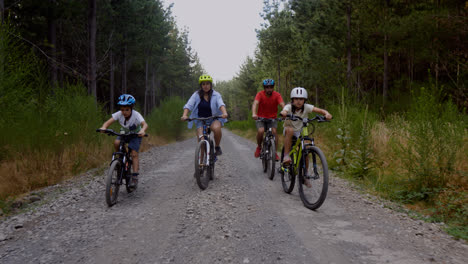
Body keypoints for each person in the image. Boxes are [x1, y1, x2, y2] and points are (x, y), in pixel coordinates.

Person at [280, 87, 332, 187]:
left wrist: (326, 113)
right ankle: (286, 156)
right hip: (289, 130)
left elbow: (320, 110)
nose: (298, 101)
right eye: (296, 99)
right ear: (292, 100)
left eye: (301, 99)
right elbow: (285, 111)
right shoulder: (289, 107)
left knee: (306, 149)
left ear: (305, 100)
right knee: (289, 130)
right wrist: (283, 113)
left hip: (301, 130)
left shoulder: (307, 107)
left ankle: (305, 174)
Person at [99, 94, 148, 187]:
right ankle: (120, 159)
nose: (124, 112)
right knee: (116, 142)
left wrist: (142, 130)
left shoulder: (136, 114)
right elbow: (108, 122)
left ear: (131, 108)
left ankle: (134, 177)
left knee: (134, 153)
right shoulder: (119, 114)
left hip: (135, 135)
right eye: (122, 109)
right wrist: (104, 127)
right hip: (124, 133)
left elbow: (144, 124)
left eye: (127, 109)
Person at [181, 74, 228, 156]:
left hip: (213, 118)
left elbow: (221, 104)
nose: (205, 86)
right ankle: (201, 165)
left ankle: (217, 147)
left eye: (207, 84)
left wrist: (224, 113)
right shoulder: (196, 95)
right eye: (203, 84)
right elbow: (189, 105)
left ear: (210, 85)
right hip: (200, 120)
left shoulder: (216, 95)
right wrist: (184, 115)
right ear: (201, 85)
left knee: (217, 129)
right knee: (201, 140)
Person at [252, 78, 285, 160]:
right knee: (261, 131)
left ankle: (275, 153)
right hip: (261, 118)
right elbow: (255, 103)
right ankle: (259, 147)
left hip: (272, 119)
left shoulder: (277, 95)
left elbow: (282, 104)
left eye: (270, 87)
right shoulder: (260, 94)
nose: (269, 89)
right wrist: (254, 113)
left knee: (274, 132)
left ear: (273, 87)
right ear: (264, 88)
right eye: (267, 87)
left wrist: (285, 112)